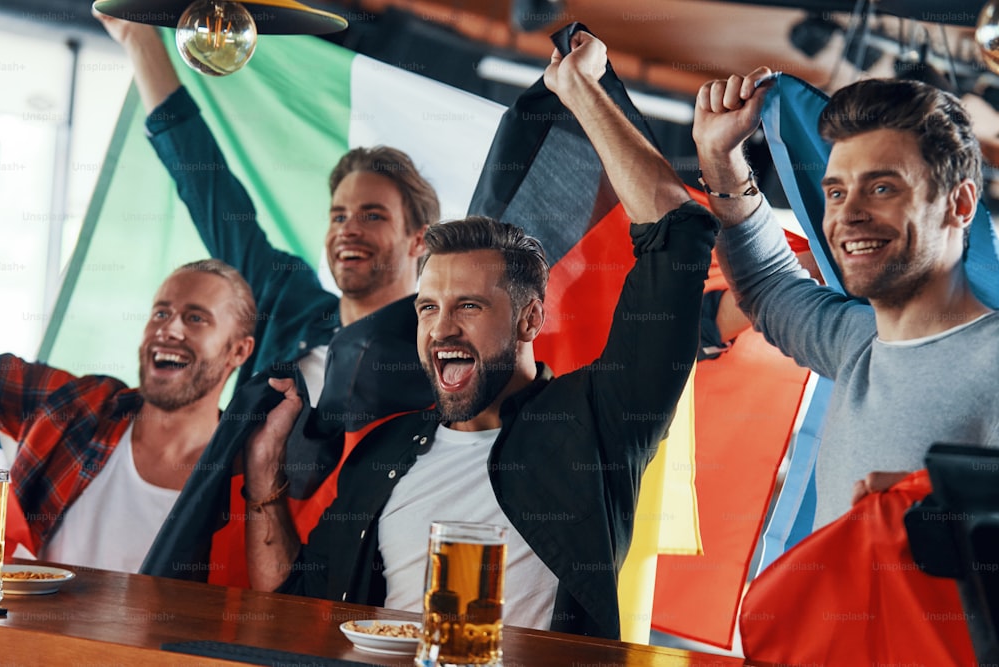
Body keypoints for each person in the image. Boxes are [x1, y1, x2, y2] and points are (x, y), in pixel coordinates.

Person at [238, 31, 718, 640]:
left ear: (529, 319)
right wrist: (262, 473)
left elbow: (675, 234)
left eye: (469, 305)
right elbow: (292, 604)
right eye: (428, 307)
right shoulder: (381, 455)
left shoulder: (597, 424)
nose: (441, 328)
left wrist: (581, 90)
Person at [693, 67, 999, 528]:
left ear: (959, 204)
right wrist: (721, 158)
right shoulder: (857, 343)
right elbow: (766, 285)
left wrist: (951, 512)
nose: (849, 214)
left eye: (881, 188)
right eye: (836, 192)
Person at [95, 13, 440, 406]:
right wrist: (134, 35)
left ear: (419, 240)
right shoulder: (284, 302)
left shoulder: (432, 359)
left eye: (373, 215)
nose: (348, 229)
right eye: (339, 215)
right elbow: (206, 184)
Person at [0, 259, 255, 572]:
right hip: (30, 622)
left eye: (195, 318)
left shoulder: (243, 475)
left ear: (238, 351)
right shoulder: (81, 407)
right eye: (161, 313)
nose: (169, 329)